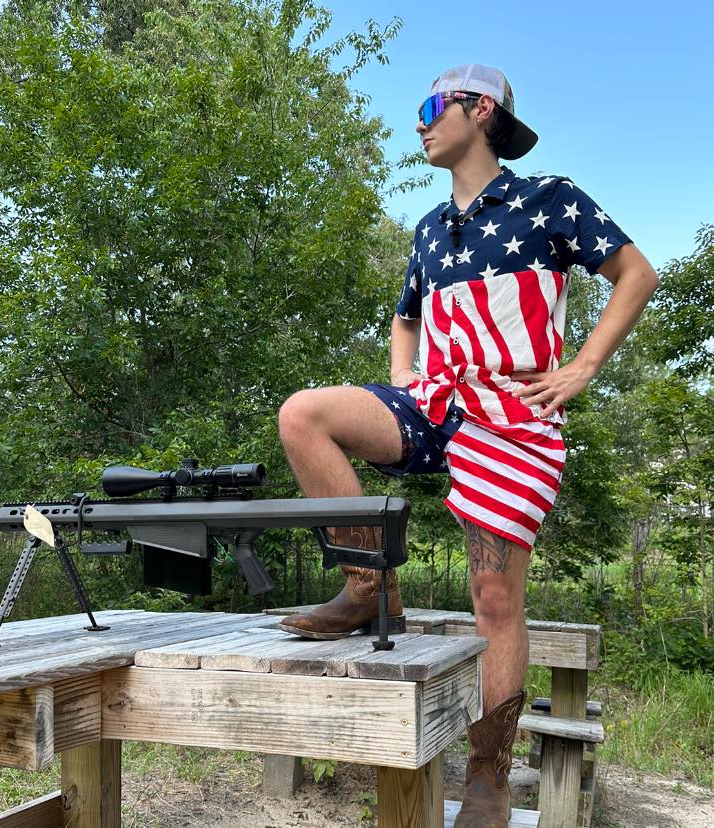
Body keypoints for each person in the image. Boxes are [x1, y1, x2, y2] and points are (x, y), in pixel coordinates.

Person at [277, 64, 658, 826]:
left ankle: (486, 776)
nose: (419, 123)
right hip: (436, 401)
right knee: (303, 415)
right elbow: (405, 316)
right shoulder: (427, 228)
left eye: (430, 107)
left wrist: (581, 368)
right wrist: (403, 378)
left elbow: (636, 273)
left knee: (493, 598)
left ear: (479, 110)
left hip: (512, 408)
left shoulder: (547, 198)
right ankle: (368, 589)